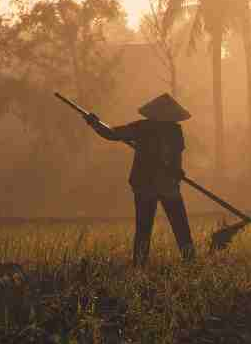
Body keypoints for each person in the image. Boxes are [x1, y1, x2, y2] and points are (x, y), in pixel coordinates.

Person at [83, 93, 196, 265]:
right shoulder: (146, 128)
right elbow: (112, 133)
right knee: (148, 228)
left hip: (166, 185)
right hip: (147, 185)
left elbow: (176, 158)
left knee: (177, 227)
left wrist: (177, 172)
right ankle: (142, 265)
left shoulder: (171, 131)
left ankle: (189, 262)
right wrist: (96, 123)